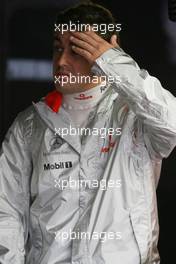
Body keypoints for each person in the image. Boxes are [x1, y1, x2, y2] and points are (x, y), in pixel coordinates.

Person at [0, 2, 176, 264]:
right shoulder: (29, 126)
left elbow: (171, 124)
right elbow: (6, 212)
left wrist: (113, 60)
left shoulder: (135, 115)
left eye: (77, 49)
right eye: (58, 48)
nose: (61, 61)